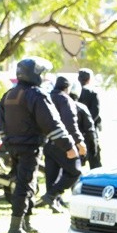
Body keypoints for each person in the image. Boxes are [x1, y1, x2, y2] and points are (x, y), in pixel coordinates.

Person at [0, 57, 78, 233]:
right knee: (25, 184)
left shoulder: (9, 94)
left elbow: (0, 125)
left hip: (14, 148)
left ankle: (25, 223)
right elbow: (52, 123)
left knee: (28, 183)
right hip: (29, 147)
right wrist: (68, 146)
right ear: (34, 74)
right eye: (41, 73)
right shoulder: (36, 94)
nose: (43, 77)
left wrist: (9, 143)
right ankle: (15, 227)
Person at [39, 76, 86, 214]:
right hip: (63, 143)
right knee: (75, 171)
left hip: (47, 142)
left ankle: (53, 202)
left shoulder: (46, 98)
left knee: (51, 175)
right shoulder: (65, 99)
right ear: (67, 88)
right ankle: (51, 196)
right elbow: (70, 123)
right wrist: (78, 141)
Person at [77, 68, 102, 168]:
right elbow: (95, 113)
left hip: (76, 129)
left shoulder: (74, 92)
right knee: (94, 158)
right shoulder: (92, 93)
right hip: (89, 130)